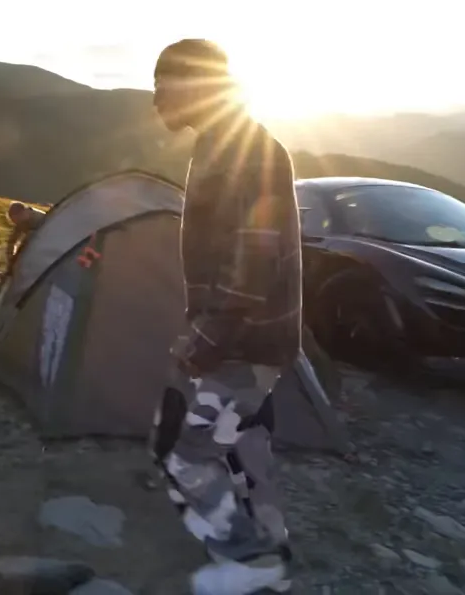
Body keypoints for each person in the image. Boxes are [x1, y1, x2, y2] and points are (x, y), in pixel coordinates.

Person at [146, 39, 302, 595]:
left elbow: (252, 263)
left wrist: (202, 342)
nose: (154, 98)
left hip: (244, 342)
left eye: (161, 84)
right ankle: (270, 552)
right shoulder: (221, 144)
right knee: (245, 448)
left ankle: (249, 569)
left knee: (186, 456)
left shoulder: (244, 150)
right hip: (247, 337)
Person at [4, 201, 45, 273]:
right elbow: (12, 241)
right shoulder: (21, 221)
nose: (16, 223)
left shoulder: (40, 219)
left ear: (22, 213)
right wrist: (10, 258)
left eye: (16, 220)